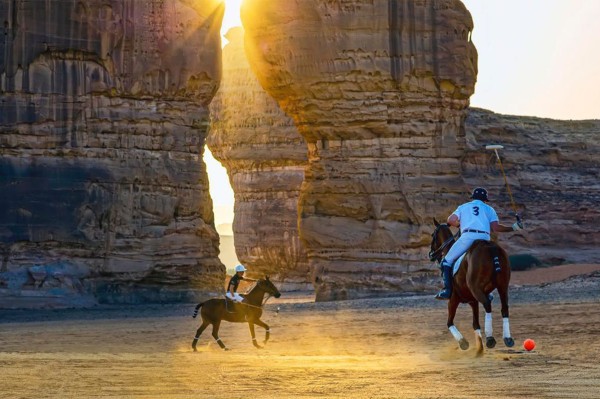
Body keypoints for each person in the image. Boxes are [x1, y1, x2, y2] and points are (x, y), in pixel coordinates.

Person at [435, 187, 524, 300]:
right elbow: (496, 228)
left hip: (467, 237)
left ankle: (447, 291)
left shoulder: (463, 207)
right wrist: (514, 227)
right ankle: (487, 290)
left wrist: (460, 225)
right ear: (485, 200)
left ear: (473, 198)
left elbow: (450, 220)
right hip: (484, 238)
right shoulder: (489, 209)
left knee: (446, 261)